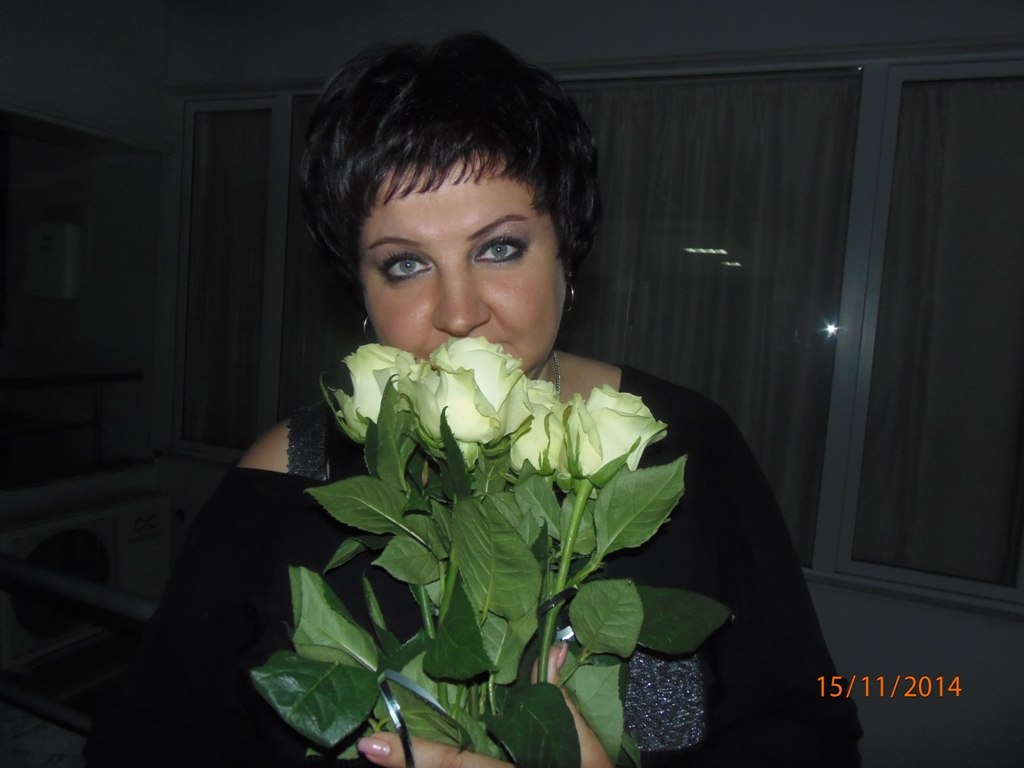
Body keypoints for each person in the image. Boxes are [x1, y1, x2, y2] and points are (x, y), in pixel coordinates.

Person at [85, 33, 861, 768]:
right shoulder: (287, 477)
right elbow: (148, 742)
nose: (458, 313)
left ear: (568, 252)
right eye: (405, 264)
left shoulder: (680, 444)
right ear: (360, 291)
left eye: (499, 248)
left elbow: (811, 724)